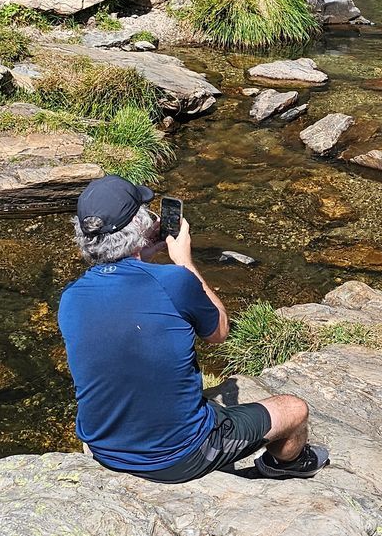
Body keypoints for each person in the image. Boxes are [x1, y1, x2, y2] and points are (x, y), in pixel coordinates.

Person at [57, 175, 329, 482]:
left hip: (104, 450)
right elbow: (219, 331)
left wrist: (142, 254)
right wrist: (184, 262)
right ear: (139, 225)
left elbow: (123, 300)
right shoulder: (173, 280)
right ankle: (283, 466)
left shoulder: (70, 298)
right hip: (180, 456)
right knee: (295, 409)